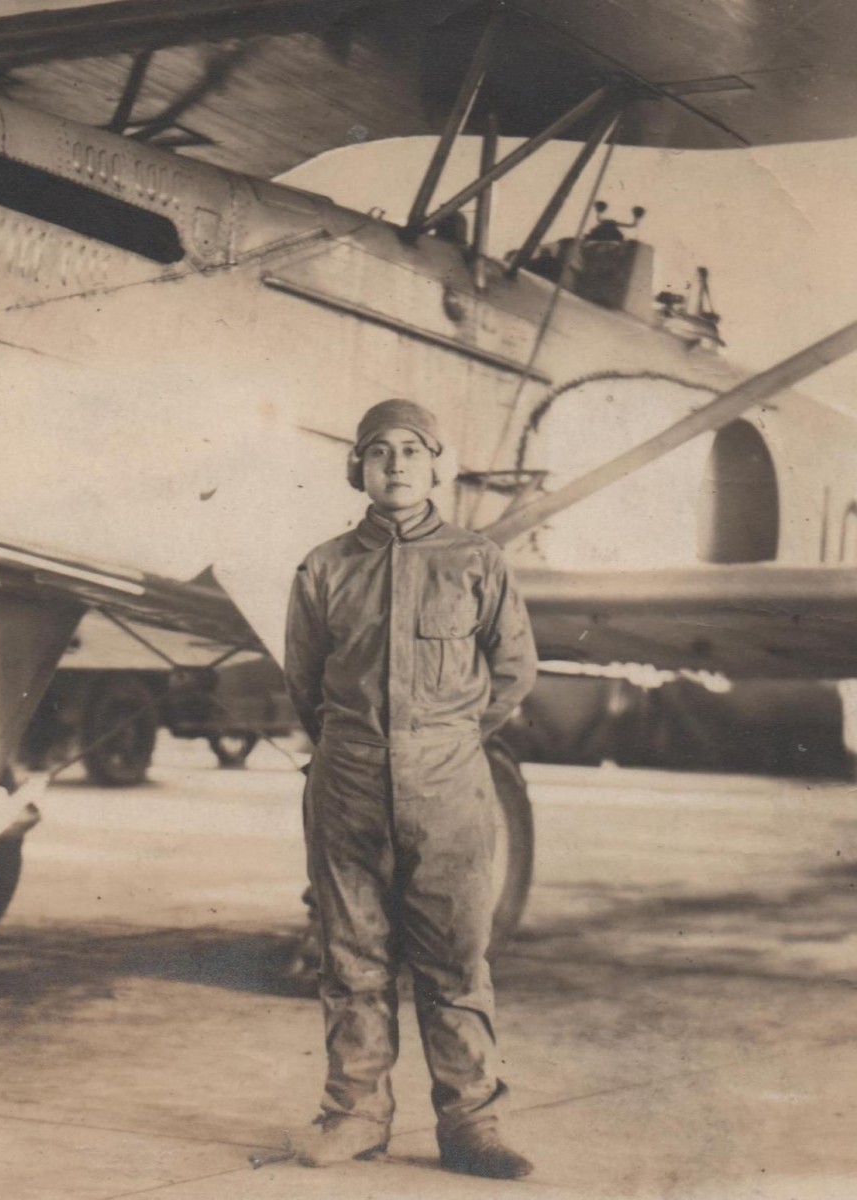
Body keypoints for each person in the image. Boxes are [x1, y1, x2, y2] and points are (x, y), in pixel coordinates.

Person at [283, 398, 538, 1179]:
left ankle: (472, 1126)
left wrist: (450, 739)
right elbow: (305, 681)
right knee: (351, 958)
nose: (395, 465)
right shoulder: (324, 567)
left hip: (448, 784)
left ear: (438, 466)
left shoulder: (477, 561)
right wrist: (356, 750)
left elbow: (514, 668)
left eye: (411, 451)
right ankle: (354, 1116)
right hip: (349, 782)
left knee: (455, 960)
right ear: (355, 468)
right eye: (378, 452)